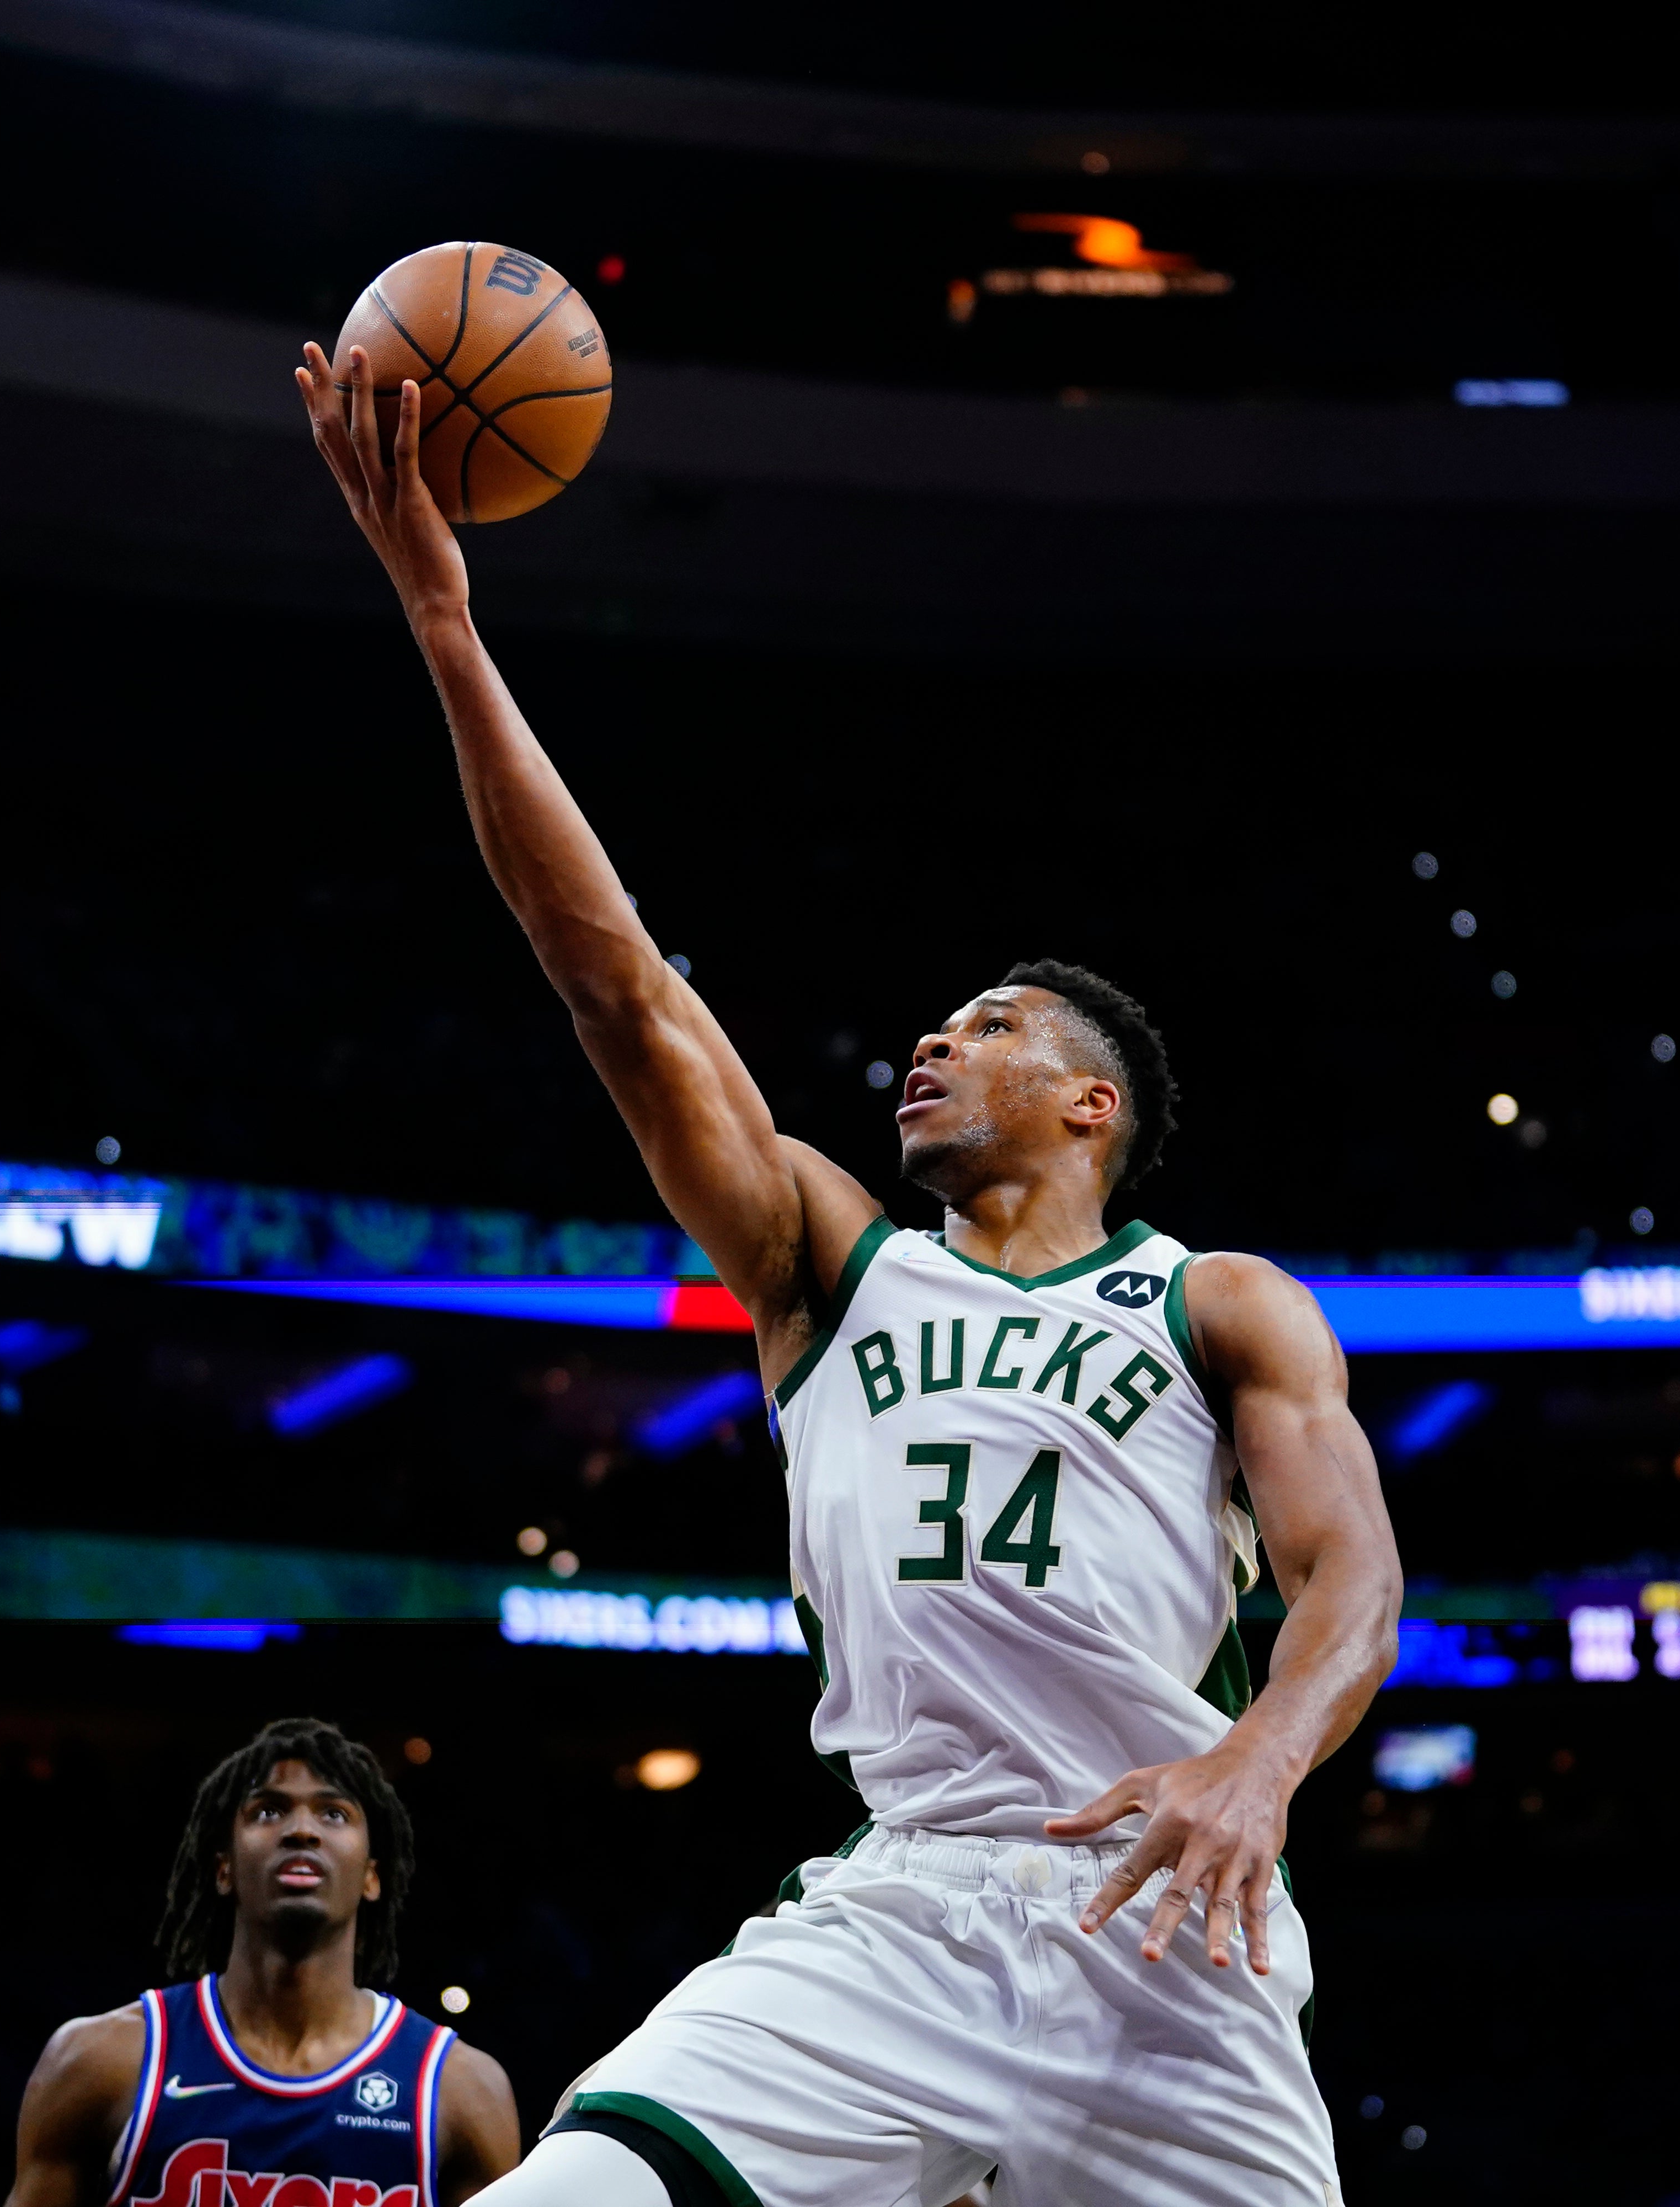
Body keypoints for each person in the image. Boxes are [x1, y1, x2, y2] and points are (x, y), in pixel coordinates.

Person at [290, 347, 1408, 2207]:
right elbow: (620, 987)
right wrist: (440, 617)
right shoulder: (830, 1264)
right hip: (898, 1916)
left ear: (1090, 1099)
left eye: (988, 1027)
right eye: (934, 1022)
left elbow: (1351, 1577)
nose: (934, 1044)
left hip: (1167, 1921)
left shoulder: (1215, 1304)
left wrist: (1263, 1766)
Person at [6, 1718, 521, 2207]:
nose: (302, 1831)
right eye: (268, 1811)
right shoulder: (101, 2060)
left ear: (372, 1877)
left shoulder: (461, 2089)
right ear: (224, 1869)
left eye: (334, 1813)